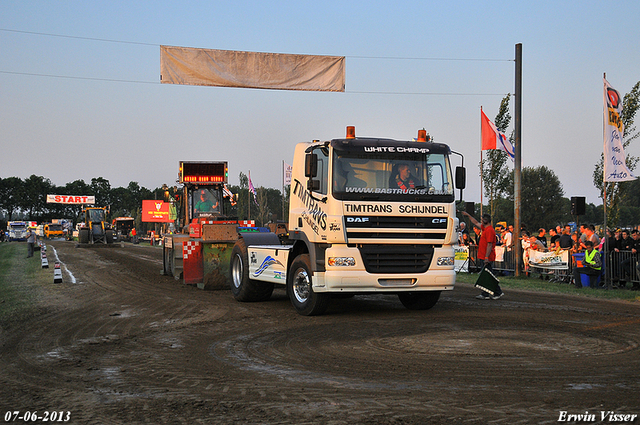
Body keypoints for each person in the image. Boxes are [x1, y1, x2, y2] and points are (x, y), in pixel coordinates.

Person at [462, 211, 504, 300]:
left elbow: (489, 245)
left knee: (487, 275)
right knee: (487, 275)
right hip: (483, 256)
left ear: (485, 221)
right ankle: (493, 292)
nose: (481, 221)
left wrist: (486, 257)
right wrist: (468, 215)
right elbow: (476, 222)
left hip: (486, 257)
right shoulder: (485, 228)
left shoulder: (489, 230)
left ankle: (492, 293)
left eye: (482, 220)